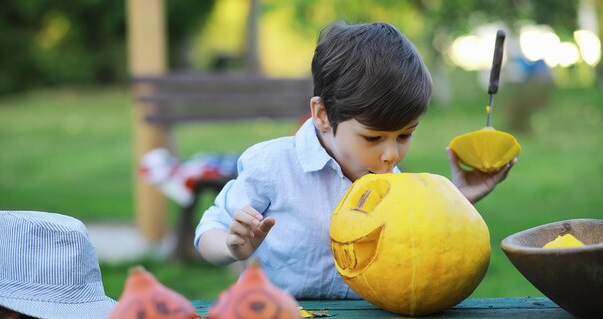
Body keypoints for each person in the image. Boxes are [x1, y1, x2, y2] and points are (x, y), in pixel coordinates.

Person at [194, 22, 515, 299]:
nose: (391, 154)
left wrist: (459, 199)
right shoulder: (272, 165)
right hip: (281, 317)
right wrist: (232, 247)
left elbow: (418, 243)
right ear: (322, 114)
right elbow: (210, 229)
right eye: (373, 138)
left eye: (404, 136)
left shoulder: (390, 179)